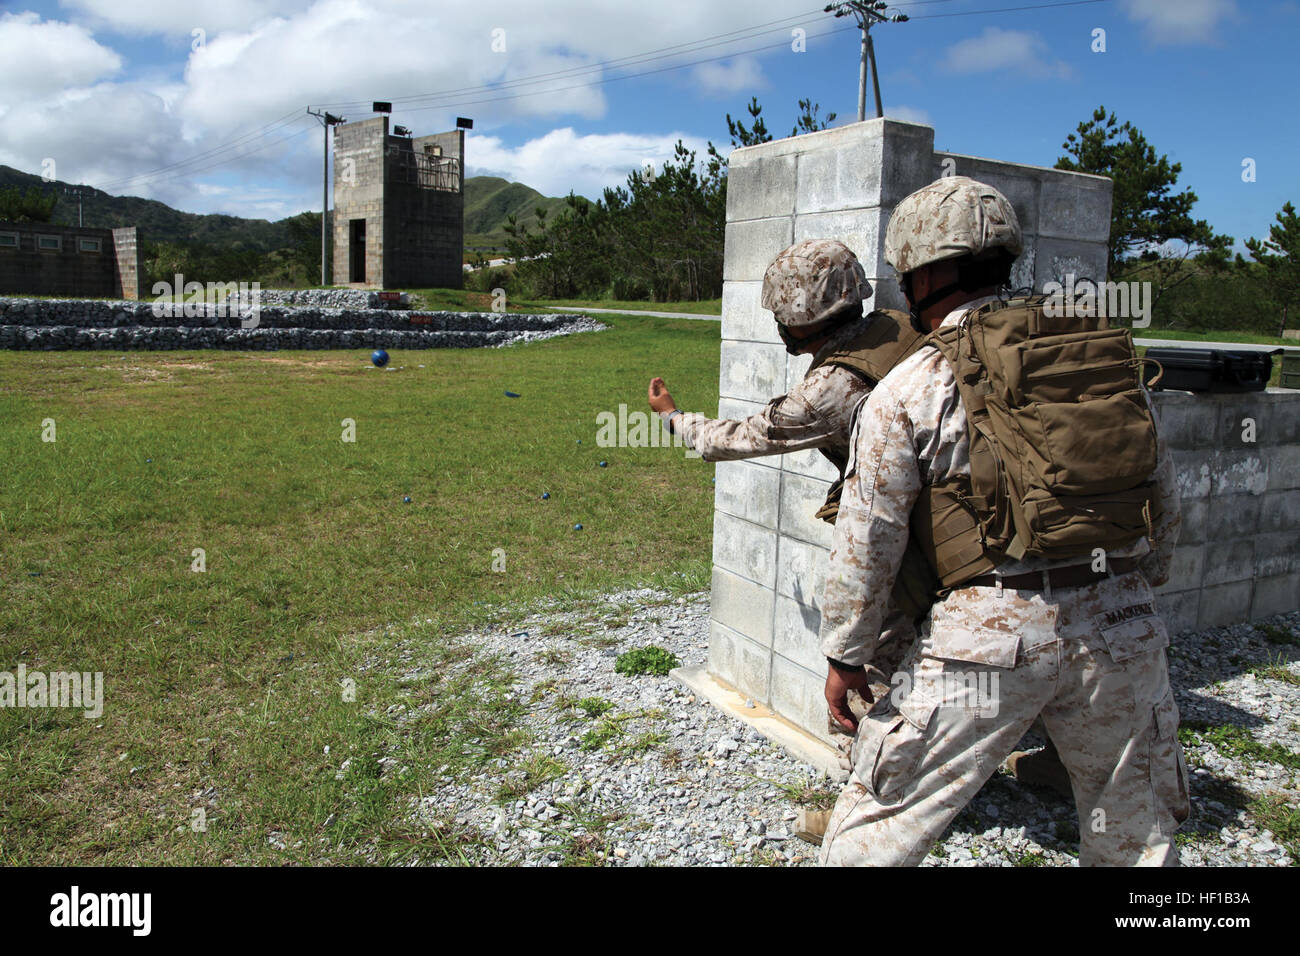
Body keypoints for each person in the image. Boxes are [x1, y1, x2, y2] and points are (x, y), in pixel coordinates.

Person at [817, 176, 1189, 866]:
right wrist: (1136, 592)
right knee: (1137, 837)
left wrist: (845, 653)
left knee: (881, 822)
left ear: (928, 275)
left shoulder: (911, 383)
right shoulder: (1098, 354)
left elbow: (867, 539)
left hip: (989, 642)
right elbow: (1160, 492)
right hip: (1123, 624)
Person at [648, 238, 927, 694]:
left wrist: (673, 418)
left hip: (913, 537)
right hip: (966, 518)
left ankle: (872, 756)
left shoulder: (828, 392)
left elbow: (739, 437)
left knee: (872, 682)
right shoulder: (897, 326)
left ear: (795, 322)